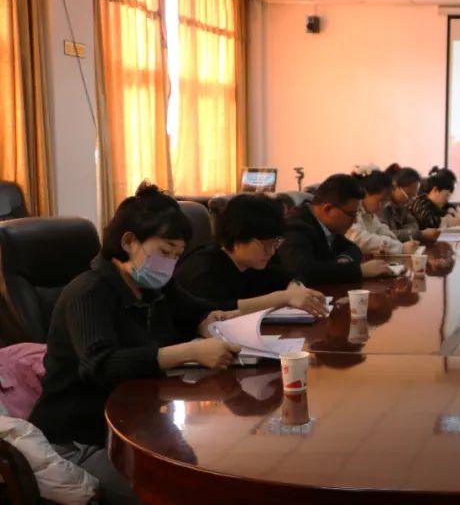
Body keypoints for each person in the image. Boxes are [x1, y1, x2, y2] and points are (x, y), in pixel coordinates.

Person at [29, 183, 240, 505]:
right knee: (171, 494)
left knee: (210, 474)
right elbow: (102, 364)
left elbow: (197, 311)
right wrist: (190, 351)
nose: (170, 264)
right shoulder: (88, 292)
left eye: (177, 255)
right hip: (80, 437)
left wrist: (208, 322)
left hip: (137, 422)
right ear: (129, 241)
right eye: (164, 252)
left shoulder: (154, 287)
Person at [174, 194, 327, 317]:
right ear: (238, 238)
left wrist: (294, 289)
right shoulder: (204, 269)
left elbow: (286, 277)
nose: (271, 251)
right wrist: (283, 298)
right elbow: (216, 310)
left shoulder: (255, 261)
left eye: (275, 242)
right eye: (265, 244)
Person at [277, 174, 391, 285]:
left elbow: (354, 249)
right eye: (351, 214)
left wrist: (342, 262)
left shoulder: (329, 226)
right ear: (328, 209)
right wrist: (359, 270)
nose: (355, 221)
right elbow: (303, 271)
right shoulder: (295, 227)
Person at [346, 169, 421, 256]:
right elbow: (360, 239)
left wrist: (398, 244)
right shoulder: (352, 212)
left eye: (385, 202)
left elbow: (381, 229)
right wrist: (400, 248)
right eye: (381, 201)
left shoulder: (368, 213)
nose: (382, 206)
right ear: (366, 193)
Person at [382, 164, 439, 243]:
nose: (410, 200)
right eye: (408, 195)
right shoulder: (381, 205)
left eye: (413, 196)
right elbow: (386, 234)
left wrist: (406, 233)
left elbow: (413, 224)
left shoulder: (402, 205)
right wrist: (418, 234)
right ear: (395, 186)